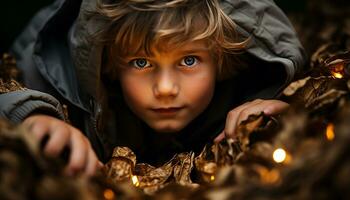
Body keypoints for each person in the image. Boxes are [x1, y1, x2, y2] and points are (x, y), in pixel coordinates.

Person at [0, 0, 306, 176]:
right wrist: (34, 116)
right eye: (141, 63)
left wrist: (288, 118)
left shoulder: (247, 91)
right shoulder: (78, 89)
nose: (165, 88)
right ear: (110, 65)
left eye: (188, 60)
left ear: (221, 58)